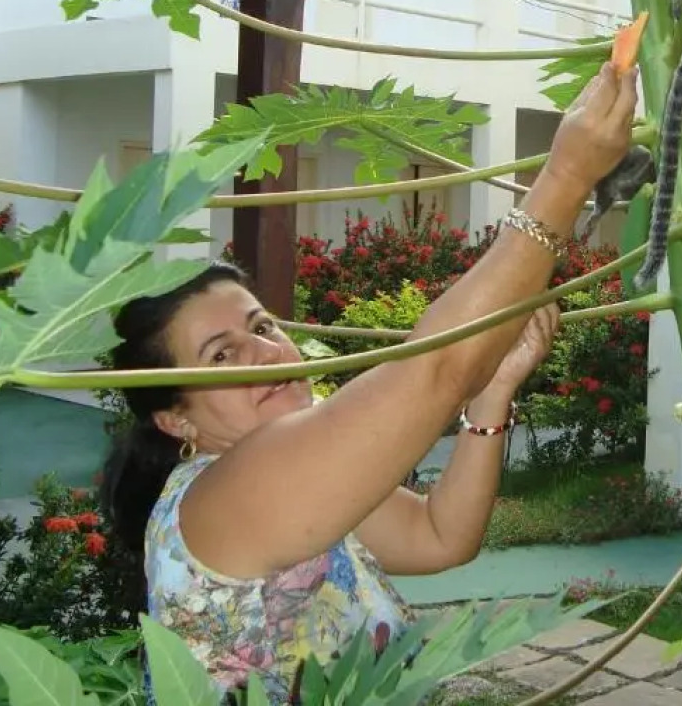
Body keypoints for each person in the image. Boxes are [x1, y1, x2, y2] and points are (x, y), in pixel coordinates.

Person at [98, 62, 638, 701]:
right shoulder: (232, 488)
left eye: (262, 326)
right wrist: (568, 175)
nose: (265, 354)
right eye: (220, 356)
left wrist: (490, 392)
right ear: (175, 419)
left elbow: (439, 537)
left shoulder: (294, 475)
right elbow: (432, 370)